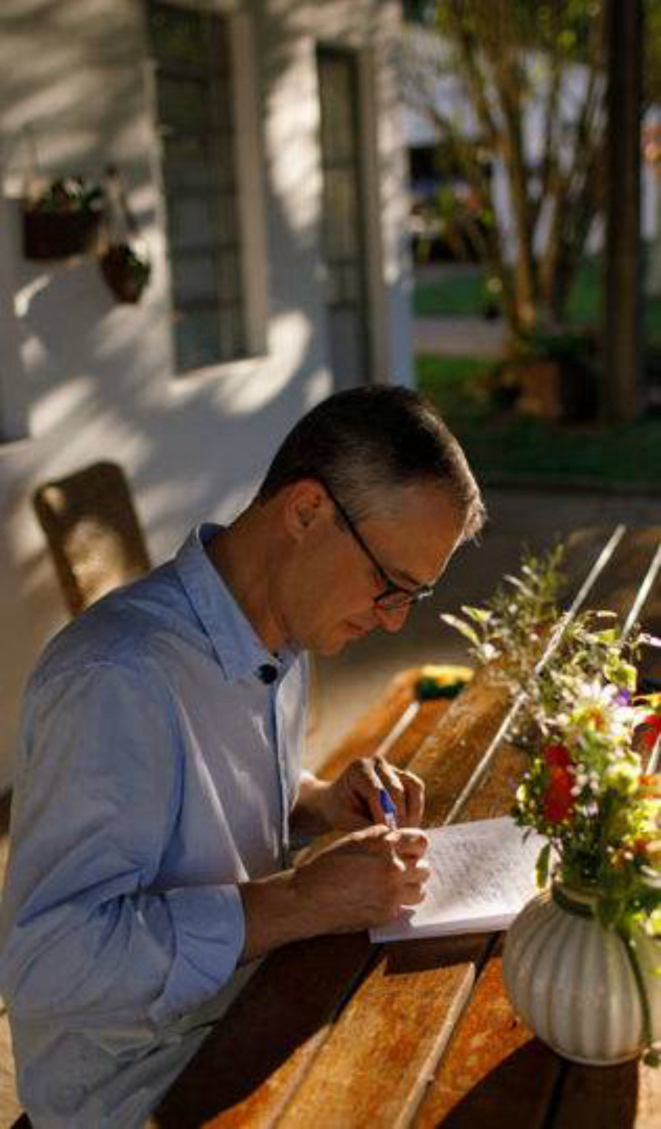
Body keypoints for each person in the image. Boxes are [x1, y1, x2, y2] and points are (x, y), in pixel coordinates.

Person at [0, 385, 485, 1128]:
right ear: (304, 512)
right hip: (139, 1091)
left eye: (410, 599)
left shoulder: (283, 633)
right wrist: (296, 899)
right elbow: (46, 965)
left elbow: (199, 798)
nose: (391, 622)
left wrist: (320, 798)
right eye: (389, 586)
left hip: (244, 1010)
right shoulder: (115, 677)